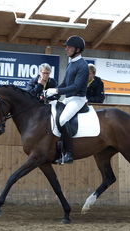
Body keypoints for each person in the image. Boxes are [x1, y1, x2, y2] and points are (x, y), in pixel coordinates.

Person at [45, 35, 89, 164]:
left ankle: (69, 153)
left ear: (77, 49)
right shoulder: (71, 64)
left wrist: (57, 90)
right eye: (67, 47)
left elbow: (76, 87)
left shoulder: (83, 65)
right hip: (69, 99)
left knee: (63, 119)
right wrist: (52, 94)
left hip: (78, 99)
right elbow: (65, 83)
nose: (66, 49)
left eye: (69, 47)